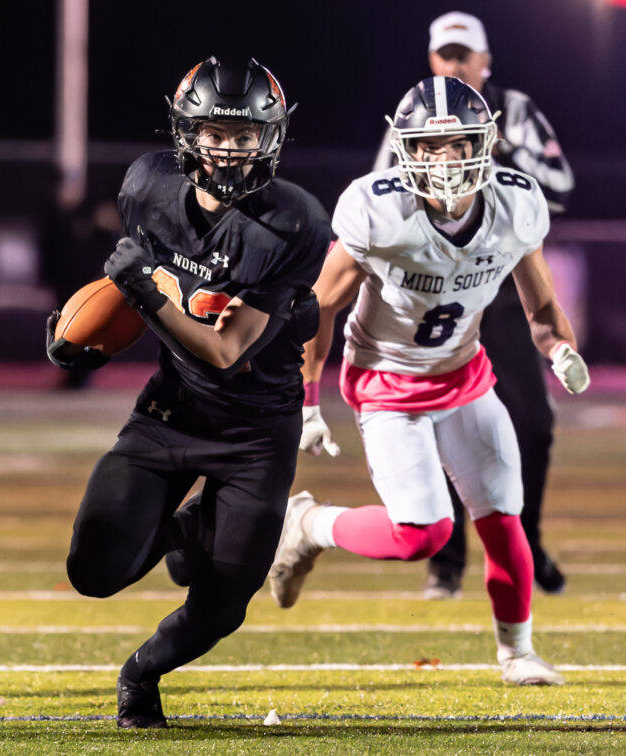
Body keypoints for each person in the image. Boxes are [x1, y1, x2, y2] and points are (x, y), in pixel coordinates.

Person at [270, 76, 590, 686]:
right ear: (405, 150)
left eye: (459, 143)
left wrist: (559, 350)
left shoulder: (514, 206)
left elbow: (542, 308)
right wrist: (308, 401)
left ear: (486, 142)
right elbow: (319, 307)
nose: (445, 161)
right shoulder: (378, 209)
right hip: (388, 383)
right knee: (421, 534)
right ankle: (308, 524)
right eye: (428, 147)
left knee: (503, 516)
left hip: (466, 375)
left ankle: (517, 653)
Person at [46, 56, 330, 727]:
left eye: (244, 136)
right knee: (93, 570)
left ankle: (141, 673)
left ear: (273, 138)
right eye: (214, 132)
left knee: (221, 607)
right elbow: (129, 279)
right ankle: (183, 528)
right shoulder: (146, 187)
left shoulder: (293, 223)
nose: (229, 150)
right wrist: (75, 332)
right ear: (183, 131)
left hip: (256, 431)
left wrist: (142, 294)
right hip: (172, 409)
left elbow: (227, 350)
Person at [372, 11, 576, 599]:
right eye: (446, 55)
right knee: (439, 422)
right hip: (437, 289)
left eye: (465, 55)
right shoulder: (413, 111)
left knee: (533, 427)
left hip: (503, 285)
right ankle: (447, 560)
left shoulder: (514, 109)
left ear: (486, 62)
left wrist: (493, 161)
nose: (455, 65)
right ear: (434, 60)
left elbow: (560, 186)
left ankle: (526, 543)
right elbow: (382, 194)